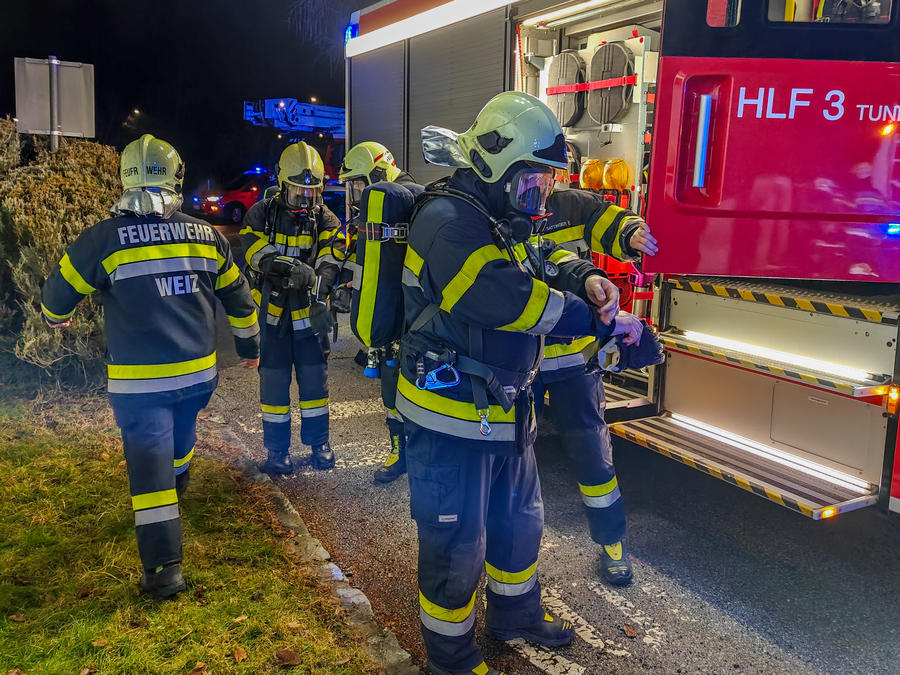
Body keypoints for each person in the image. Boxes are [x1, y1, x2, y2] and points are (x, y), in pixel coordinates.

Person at [396, 91, 645, 675]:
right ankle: (453, 658)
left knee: (518, 523)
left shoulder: (495, 215)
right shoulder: (448, 222)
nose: (539, 200)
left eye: (544, 186)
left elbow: (539, 259)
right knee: (456, 545)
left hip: (504, 408)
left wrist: (585, 277)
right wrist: (603, 322)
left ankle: (515, 614)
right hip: (452, 418)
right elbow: (508, 299)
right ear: (493, 164)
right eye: (531, 184)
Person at [41, 134, 260, 599]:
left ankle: (163, 571)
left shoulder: (102, 240)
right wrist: (249, 347)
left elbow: (56, 296)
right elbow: (239, 298)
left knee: (149, 475)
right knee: (180, 441)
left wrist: (56, 317)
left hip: (140, 388)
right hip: (197, 379)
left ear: (126, 178)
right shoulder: (207, 235)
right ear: (176, 178)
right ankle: (177, 484)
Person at [533, 187, 658, 586]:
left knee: (593, 454)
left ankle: (613, 543)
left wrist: (631, 231)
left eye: (548, 174)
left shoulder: (571, 205)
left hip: (574, 358)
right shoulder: (499, 210)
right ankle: (506, 552)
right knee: (509, 459)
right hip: (520, 362)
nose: (542, 183)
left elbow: (609, 220)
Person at [240, 142, 343, 474]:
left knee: (315, 386)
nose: (305, 197)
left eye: (312, 191)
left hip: (311, 317)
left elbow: (331, 259)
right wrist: (290, 267)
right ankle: (277, 451)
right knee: (273, 386)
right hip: (273, 319)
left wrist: (318, 285)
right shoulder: (261, 214)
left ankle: (319, 444)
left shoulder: (326, 218)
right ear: (282, 183)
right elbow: (253, 251)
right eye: (298, 190)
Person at [338, 141, 418, 484]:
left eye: (359, 183)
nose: (357, 193)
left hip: (410, 319)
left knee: (411, 393)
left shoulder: (413, 201)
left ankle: (415, 456)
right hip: (389, 319)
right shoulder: (378, 210)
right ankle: (398, 451)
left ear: (378, 173)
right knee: (390, 391)